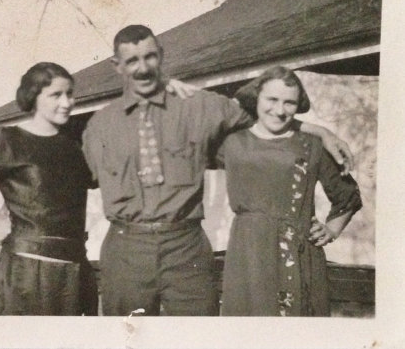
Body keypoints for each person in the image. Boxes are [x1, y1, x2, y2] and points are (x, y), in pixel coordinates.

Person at [82, 24, 354, 316]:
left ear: (161, 55)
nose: (143, 68)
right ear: (116, 65)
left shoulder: (202, 106)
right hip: (126, 248)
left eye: (149, 57)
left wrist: (321, 131)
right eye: (132, 60)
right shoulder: (99, 125)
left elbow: (268, 116)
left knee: (201, 336)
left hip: (184, 247)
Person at [0, 62, 98, 316]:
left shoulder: (73, 149)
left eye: (70, 93)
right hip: (29, 271)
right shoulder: (8, 141)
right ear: (33, 97)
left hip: (77, 269)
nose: (67, 102)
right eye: (56, 95)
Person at [217, 66, 362, 316]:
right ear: (257, 98)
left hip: (297, 252)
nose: (280, 110)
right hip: (247, 250)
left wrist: (332, 229)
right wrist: (320, 128)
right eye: (272, 99)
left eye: (289, 103)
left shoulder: (312, 145)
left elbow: (347, 195)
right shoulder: (231, 143)